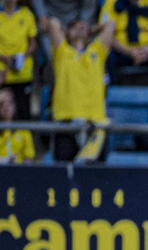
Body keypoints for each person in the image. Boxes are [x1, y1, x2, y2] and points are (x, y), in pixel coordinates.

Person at [44, 15, 115, 162]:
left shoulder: (97, 50)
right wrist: (71, 31)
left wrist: (90, 29)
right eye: (75, 27)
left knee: (96, 178)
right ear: (66, 33)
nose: (80, 28)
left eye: (83, 26)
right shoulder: (62, 52)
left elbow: (111, 25)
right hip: (66, 119)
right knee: (64, 174)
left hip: (95, 123)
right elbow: (53, 22)